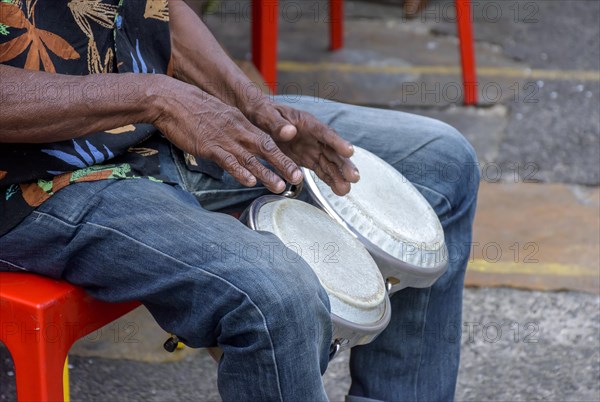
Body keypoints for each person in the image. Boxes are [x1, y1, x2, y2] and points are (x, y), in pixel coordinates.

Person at [0, 1, 479, 401]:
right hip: (41, 182)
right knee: (277, 292)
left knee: (440, 164)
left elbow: (156, 11)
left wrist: (254, 109)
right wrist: (157, 98)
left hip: (156, 127)